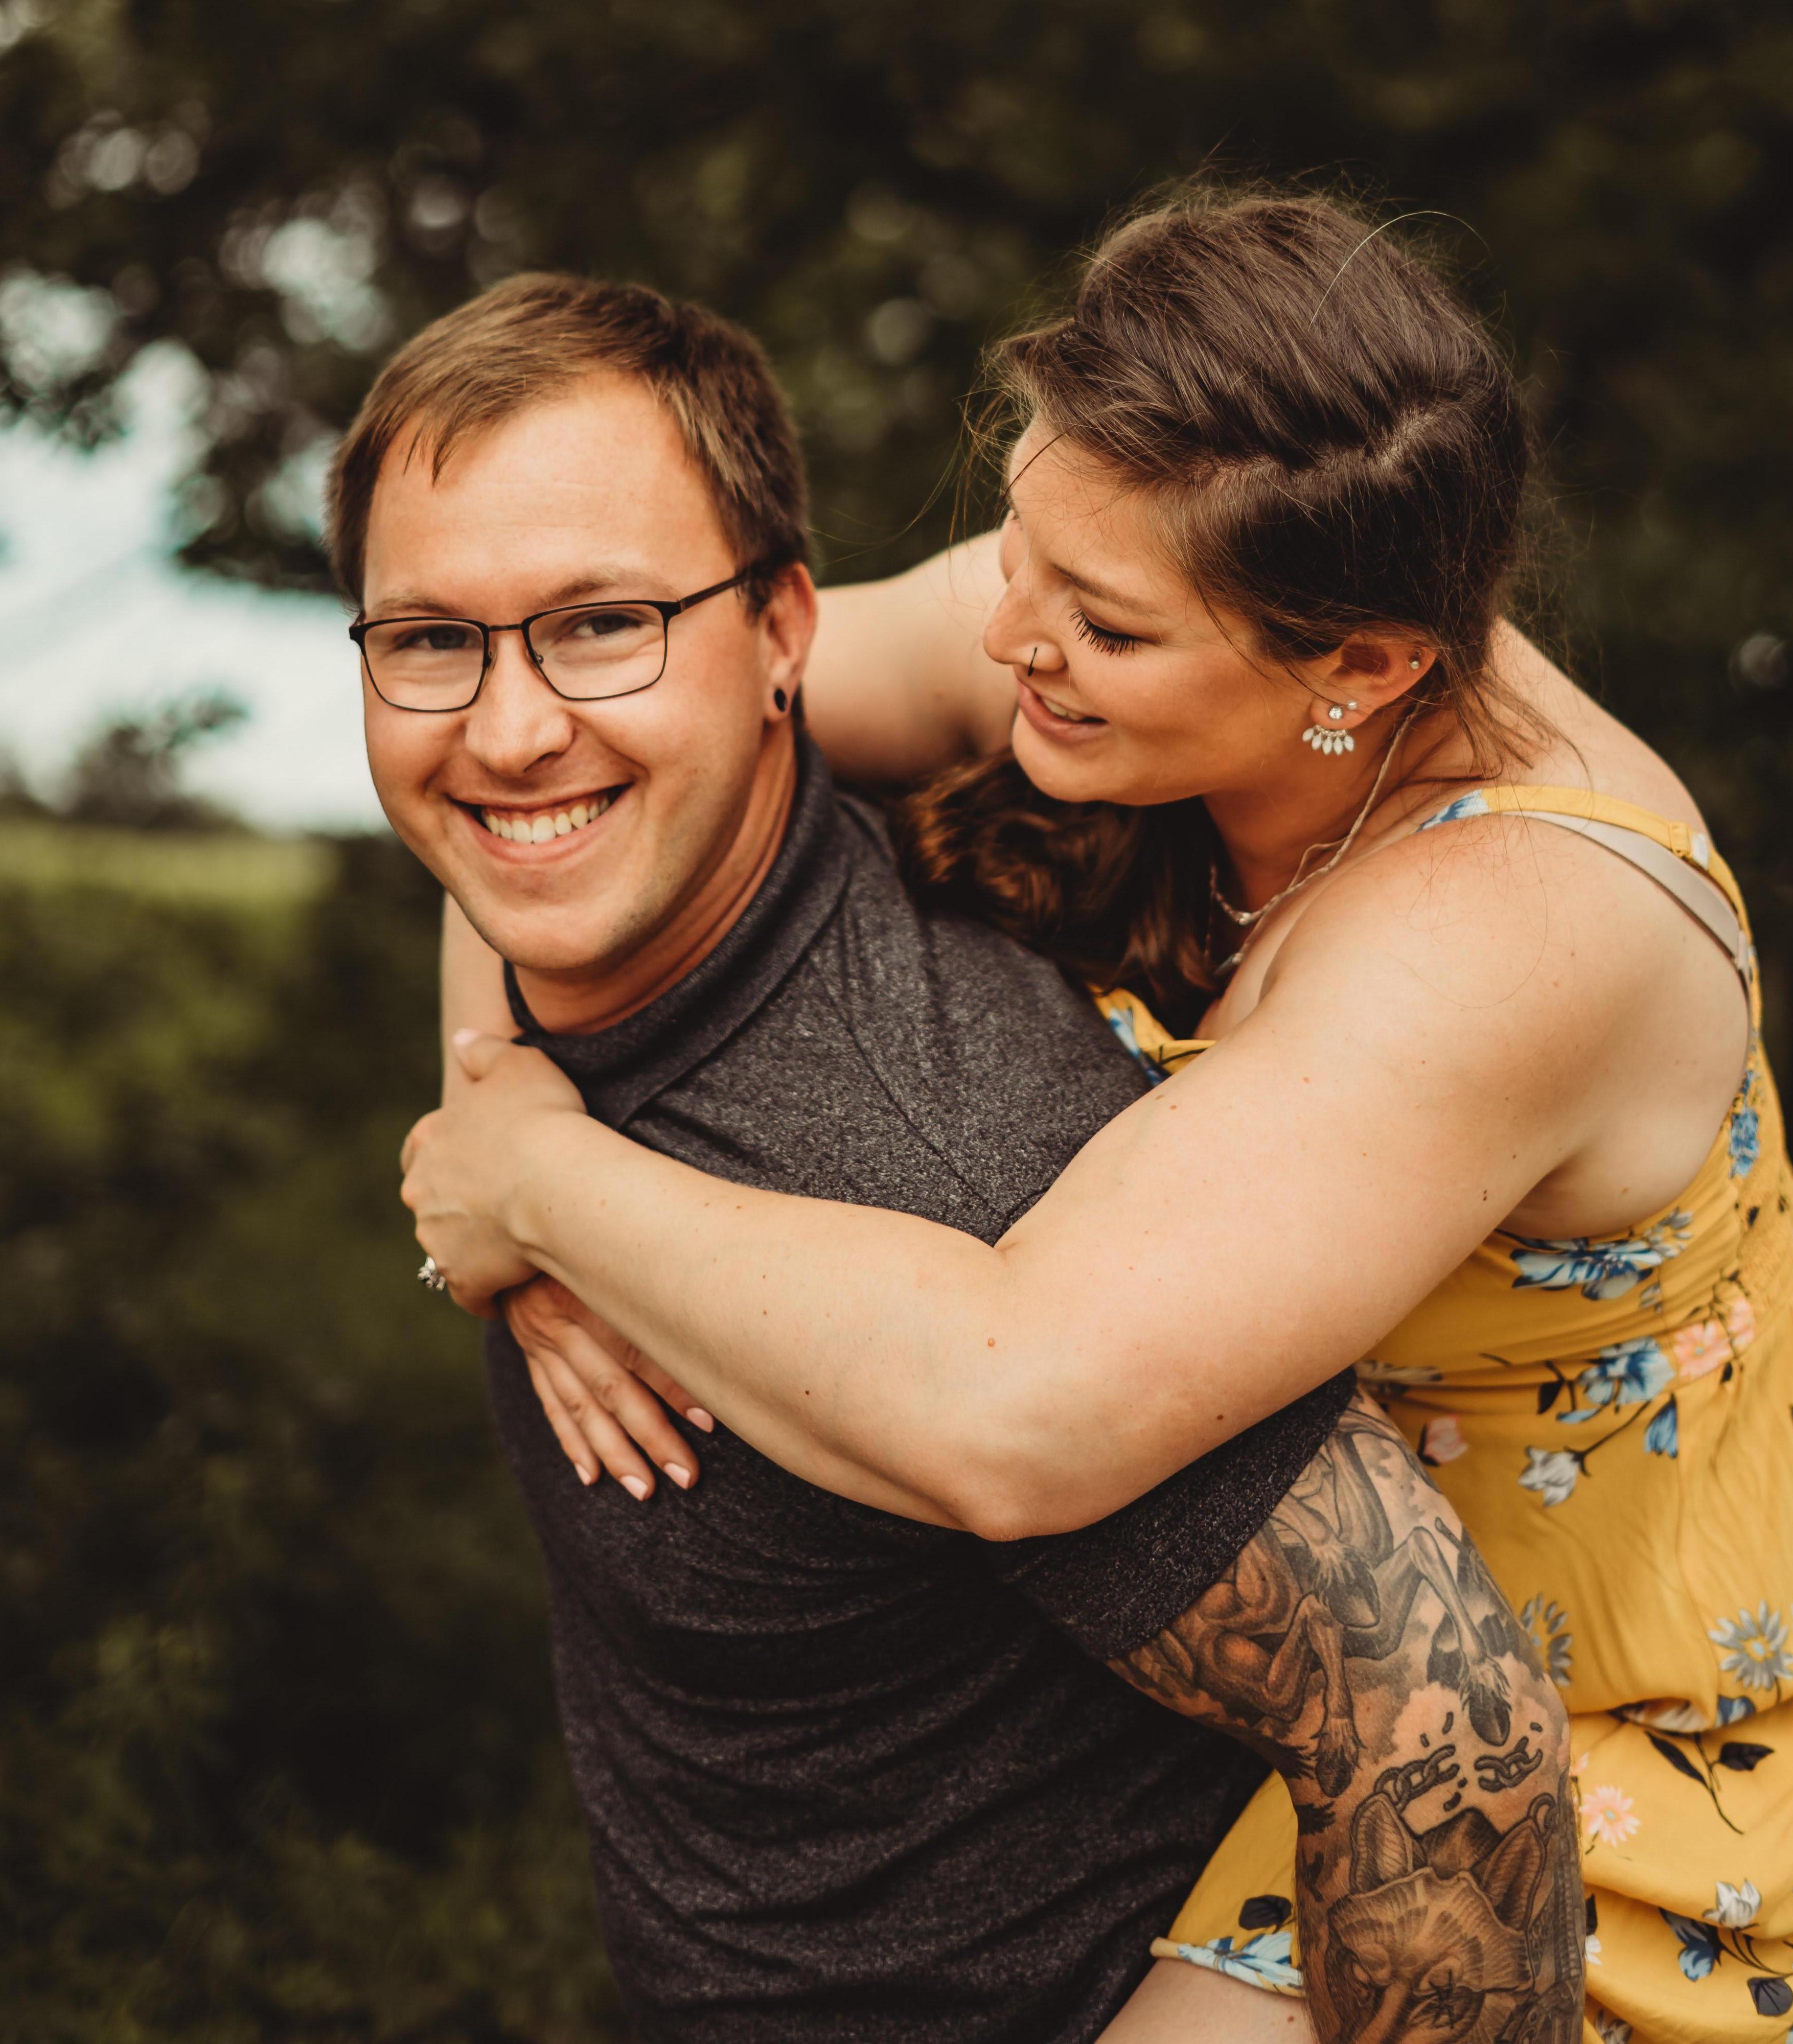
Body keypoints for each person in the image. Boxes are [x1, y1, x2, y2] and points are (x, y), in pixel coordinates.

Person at [405, 190, 1793, 2044]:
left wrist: (548, 1188)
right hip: (1317, 1626)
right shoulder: (1113, 577)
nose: (1009, 632)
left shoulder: (1512, 931)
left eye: (1104, 627)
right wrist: (494, 1088)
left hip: (1608, 1717)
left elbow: (1019, 1412)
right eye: (1021, 549)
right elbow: (581, 761)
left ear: (1363, 669)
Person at [346, 269, 1577, 2042]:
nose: (510, 726)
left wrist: (533, 1188)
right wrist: (504, 1135)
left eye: (604, 625)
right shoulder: (593, 889)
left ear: (785, 634)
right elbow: (512, 814)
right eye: (429, 641)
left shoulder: (957, 1157)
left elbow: (1450, 1727)